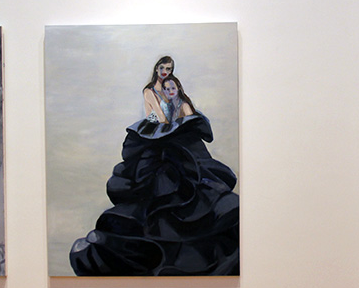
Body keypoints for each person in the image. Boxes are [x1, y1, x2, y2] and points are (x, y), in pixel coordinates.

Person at [70, 61, 239, 276]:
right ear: (157, 70)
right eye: (162, 69)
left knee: (186, 173)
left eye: (169, 69)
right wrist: (172, 125)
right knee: (161, 176)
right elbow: (159, 116)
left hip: (170, 138)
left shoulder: (175, 93)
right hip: (156, 135)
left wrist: (181, 119)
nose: (165, 73)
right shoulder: (150, 91)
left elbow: (185, 113)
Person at [142, 55, 175, 122]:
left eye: (168, 69)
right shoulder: (149, 91)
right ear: (156, 69)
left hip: (171, 126)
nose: (164, 71)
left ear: (171, 71)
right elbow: (162, 118)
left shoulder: (171, 90)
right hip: (157, 127)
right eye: (161, 68)